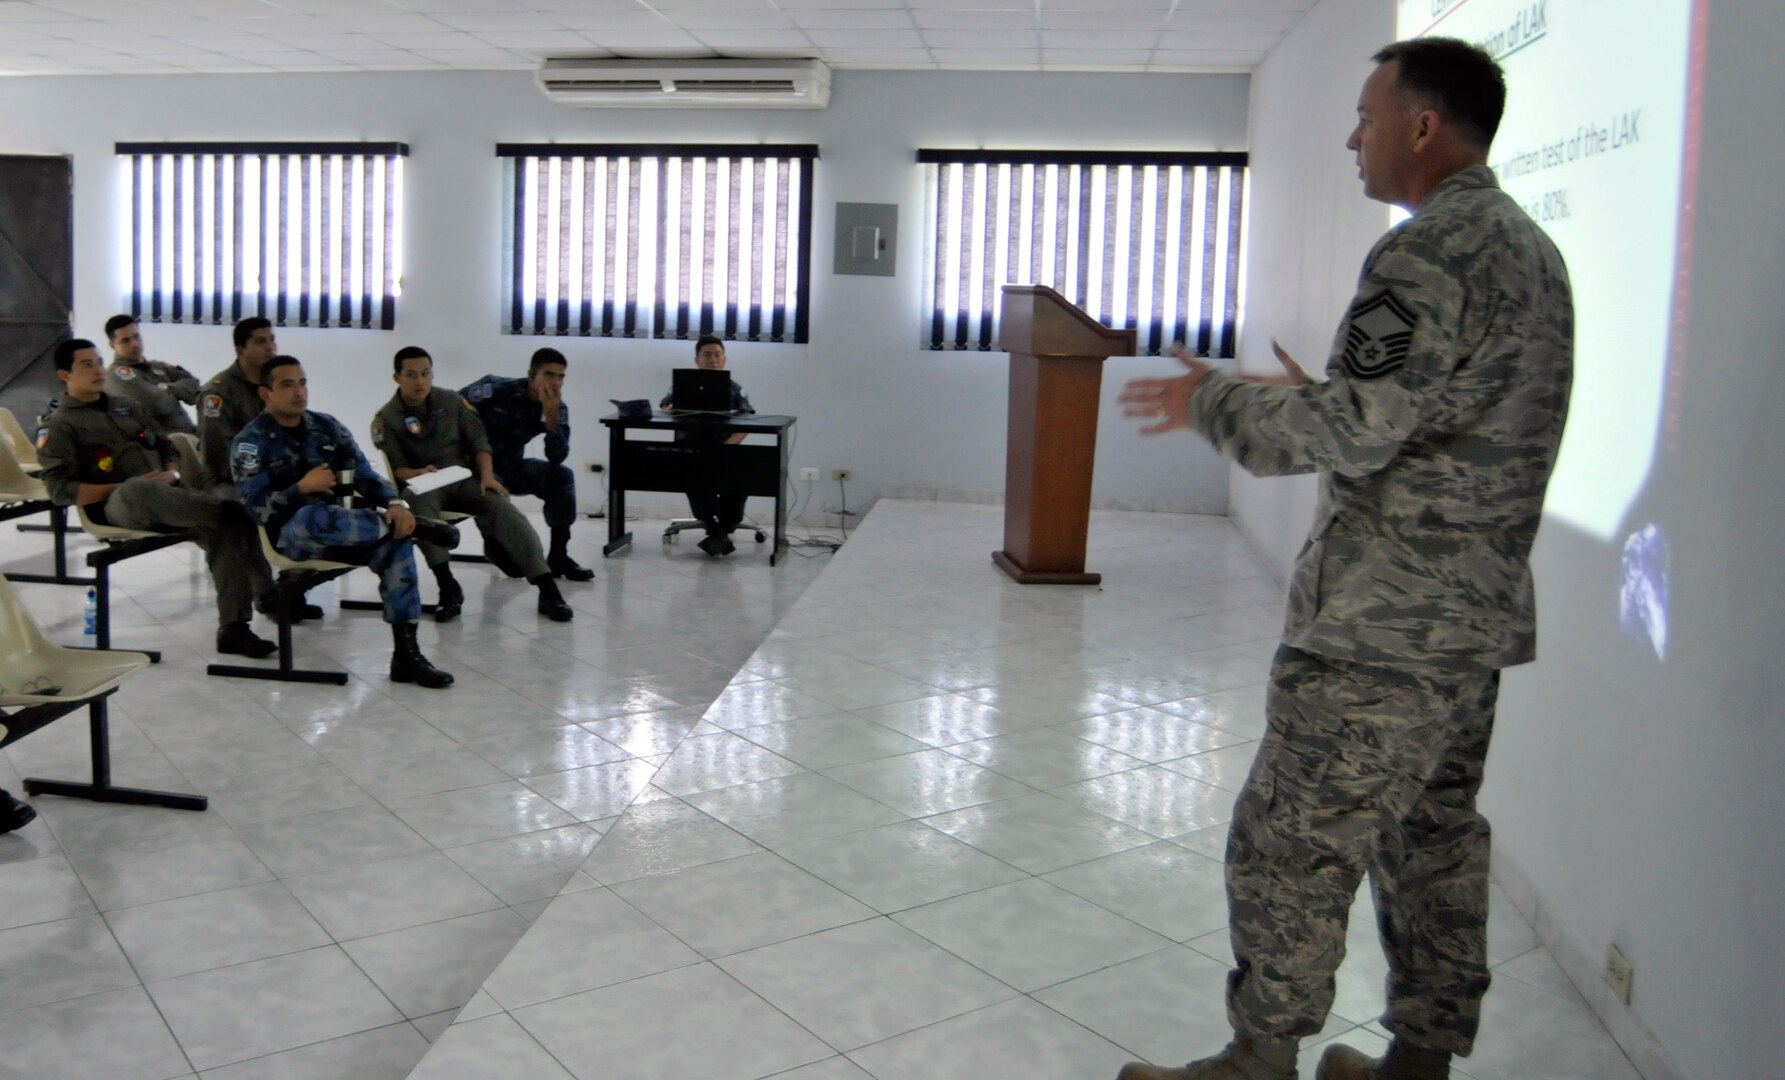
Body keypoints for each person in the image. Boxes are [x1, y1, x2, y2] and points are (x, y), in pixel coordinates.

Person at [1113, 39, 1572, 1080]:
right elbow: (1436, 418)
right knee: (1435, 844)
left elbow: (1355, 433)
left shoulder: (1427, 252)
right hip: (1472, 626)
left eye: (1366, 115)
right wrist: (1311, 398)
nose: (1351, 136)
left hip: (1382, 629)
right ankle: (1421, 1060)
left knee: (1290, 844)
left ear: (1422, 127)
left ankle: (1259, 1060)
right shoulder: (1532, 250)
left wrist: (1217, 402)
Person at [37, 338, 276, 659]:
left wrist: (172, 472)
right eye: (86, 365)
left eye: (97, 361)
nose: (97, 369)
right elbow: (60, 491)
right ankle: (229, 511)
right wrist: (125, 484)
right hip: (115, 506)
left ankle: (234, 628)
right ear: (64, 375)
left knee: (226, 526)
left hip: (167, 495)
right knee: (143, 490)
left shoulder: (126, 406)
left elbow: (167, 446)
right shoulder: (60, 425)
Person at [232, 356, 458, 689]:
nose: (299, 392)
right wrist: (300, 489)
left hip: (353, 527)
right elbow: (257, 511)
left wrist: (395, 503)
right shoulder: (251, 443)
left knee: (396, 543)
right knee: (313, 516)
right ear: (265, 393)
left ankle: (406, 656)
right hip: (295, 535)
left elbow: (367, 477)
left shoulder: (327, 427)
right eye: (287, 385)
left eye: (303, 382)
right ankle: (408, 526)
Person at [374, 346, 573, 623]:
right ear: (397, 377)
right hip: (423, 485)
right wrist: (416, 472)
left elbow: (480, 440)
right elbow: (396, 468)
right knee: (420, 514)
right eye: (411, 375)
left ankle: (548, 588)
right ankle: (448, 587)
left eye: (425, 374)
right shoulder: (388, 418)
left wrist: (488, 477)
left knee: (505, 510)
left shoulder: (451, 401)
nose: (420, 381)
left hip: (469, 474)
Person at [198, 317, 324, 623]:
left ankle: (294, 589)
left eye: (271, 339)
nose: (270, 346)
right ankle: (267, 595)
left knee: (318, 501)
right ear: (240, 349)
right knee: (250, 510)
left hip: (277, 477)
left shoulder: (277, 383)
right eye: (260, 341)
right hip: (229, 481)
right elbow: (220, 458)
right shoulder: (218, 393)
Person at [460, 348, 594, 581]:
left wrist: (551, 419)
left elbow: (557, 457)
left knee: (562, 476)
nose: (555, 382)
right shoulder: (495, 389)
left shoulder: (556, 407)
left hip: (512, 467)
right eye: (548, 374)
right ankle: (493, 544)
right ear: (532, 374)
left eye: (561, 377)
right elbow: (453, 406)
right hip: (478, 470)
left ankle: (559, 556)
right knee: (515, 570)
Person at [659, 334, 755, 557]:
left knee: (742, 477)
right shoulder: (681, 386)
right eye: (707, 355)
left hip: (725, 449)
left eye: (718, 355)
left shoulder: (734, 388)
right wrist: (674, 407)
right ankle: (716, 530)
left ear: (724, 359)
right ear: (697, 360)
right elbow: (665, 408)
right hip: (691, 450)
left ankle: (721, 530)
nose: (713, 360)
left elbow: (747, 420)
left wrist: (728, 446)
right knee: (694, 473)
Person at [103, 314, 200, 434]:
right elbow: (159, 403)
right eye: (125, 341)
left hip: (189, 435)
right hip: (163, 444)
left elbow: (196, 390)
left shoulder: (156, 366)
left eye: (136, 336)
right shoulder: (117, 375)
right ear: (112, 345)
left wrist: (164, 387)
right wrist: (176, 390)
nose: (134, 344)